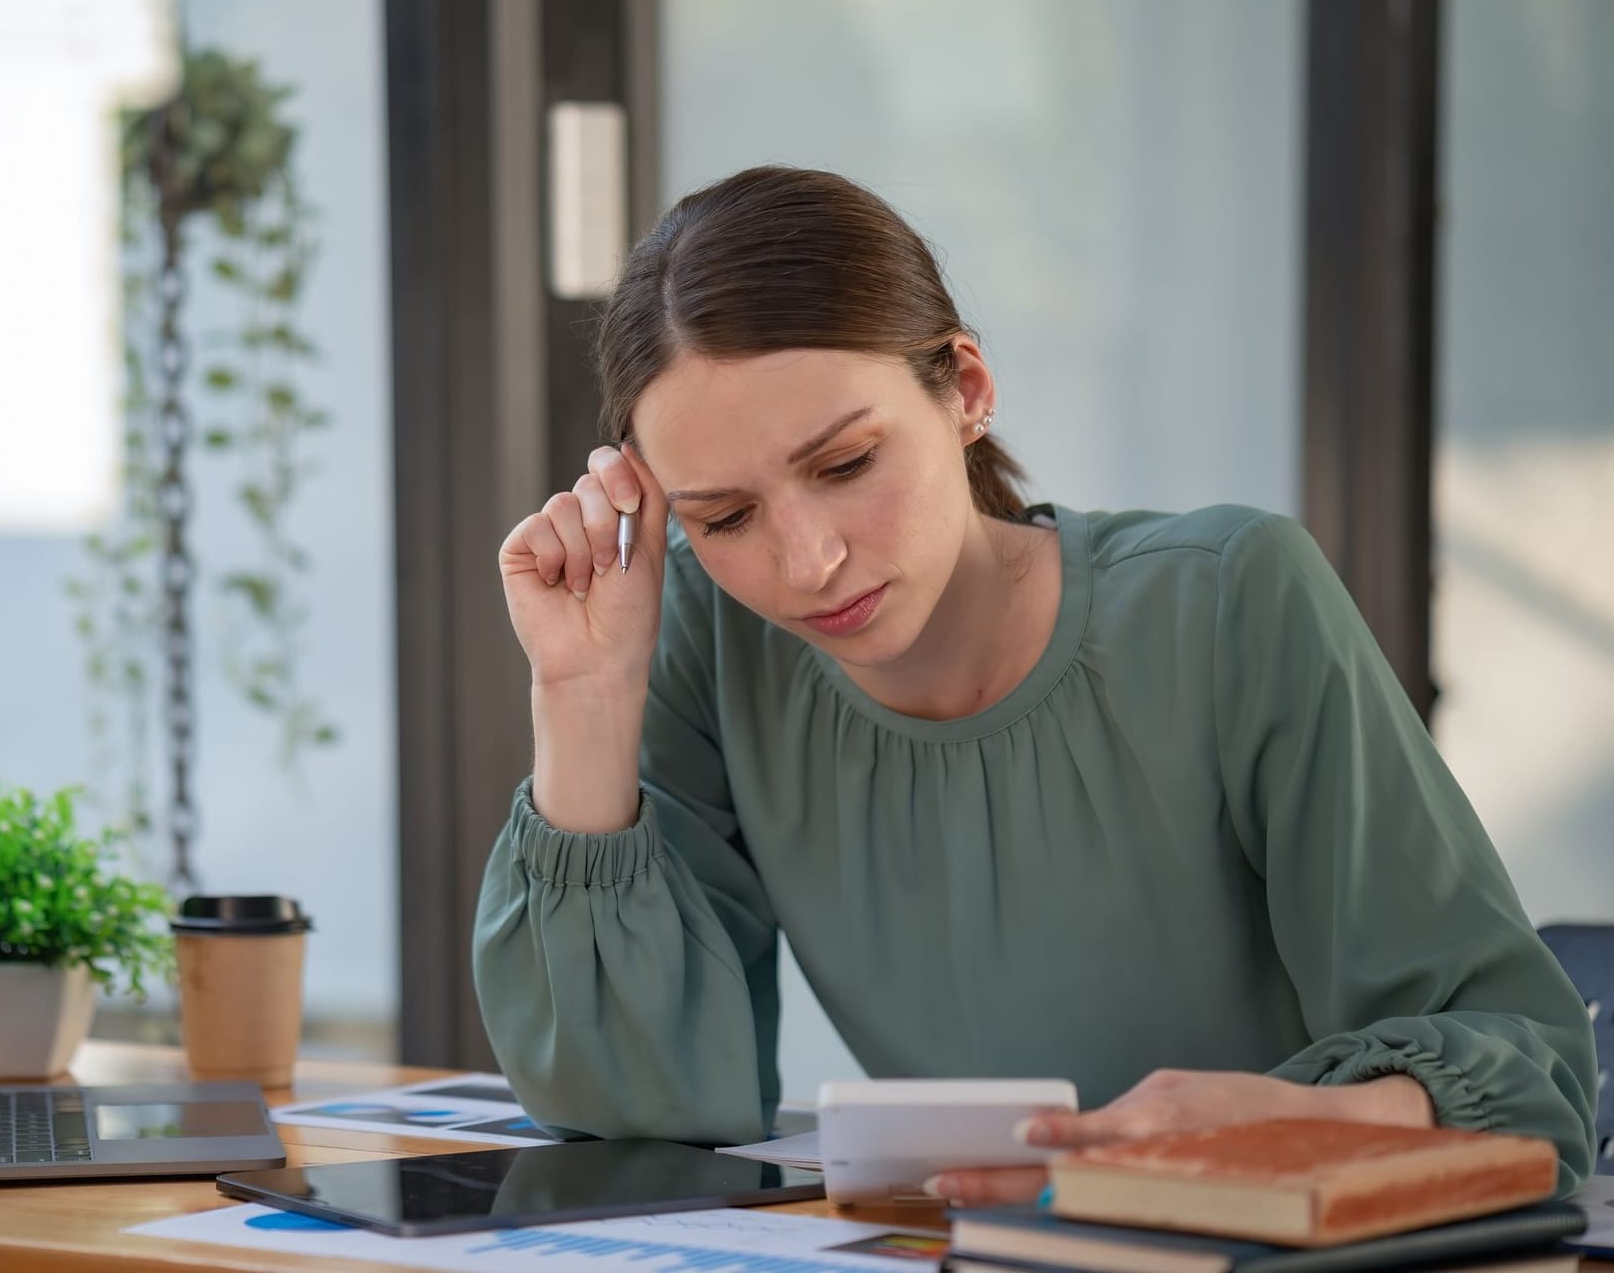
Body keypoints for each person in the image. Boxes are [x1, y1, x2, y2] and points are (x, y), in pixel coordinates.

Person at [472, 166, 1596, 1202]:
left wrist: (1295, 1120)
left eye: (848, 463)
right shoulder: (709, 635)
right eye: (725, 517)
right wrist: (585, 693)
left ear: (965, 388)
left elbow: (1536, 1079)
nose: (806, 560)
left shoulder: (1229, 600)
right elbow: (636, 1110)